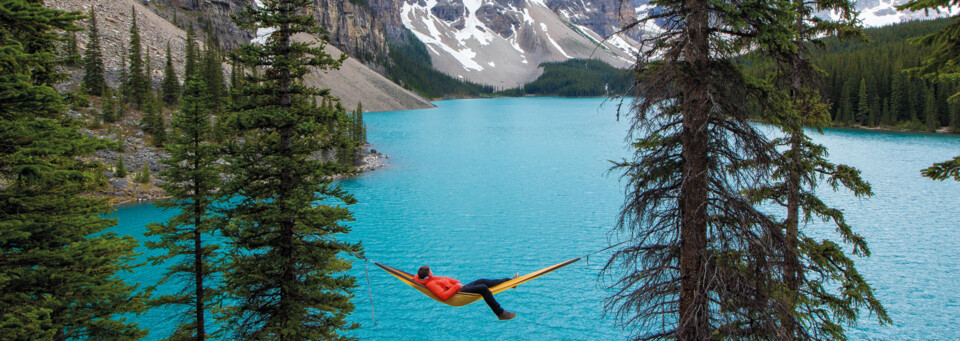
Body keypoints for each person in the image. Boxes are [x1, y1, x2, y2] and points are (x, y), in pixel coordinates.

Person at [413, 265, 518, 320]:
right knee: (483, 288)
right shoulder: (430, 284)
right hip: (456, 294)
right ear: (428, 275)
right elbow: (443, 296)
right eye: (430, 271)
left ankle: (511, 282)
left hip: (457, 288)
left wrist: (457, 283)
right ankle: (500, 313)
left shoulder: (429, 279)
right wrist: (456, 287)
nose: (432, 272)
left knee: (482, 281)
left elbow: (443, 279)